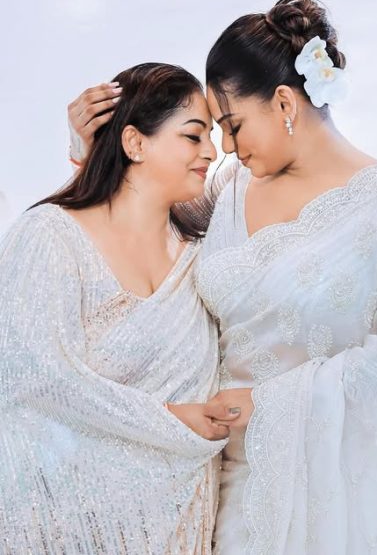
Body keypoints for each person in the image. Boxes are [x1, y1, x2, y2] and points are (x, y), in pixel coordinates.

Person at [68, 0, 377, 554]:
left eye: (233, 125)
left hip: (333, 496)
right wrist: (94, 150)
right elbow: (140, 222)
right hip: (222, 486)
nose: (224, 146)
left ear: (285, 102)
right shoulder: (228, 189)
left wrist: (269, 404)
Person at [0, 62, 240, 555]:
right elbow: (34, 377)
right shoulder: (50, 236)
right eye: (193, 136)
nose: (212, 151)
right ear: (134, 143)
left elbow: (266, 164)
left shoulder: (203, 252)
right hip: (62, 530)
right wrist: (169, 418)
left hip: (178, 531)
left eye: (212, 136)